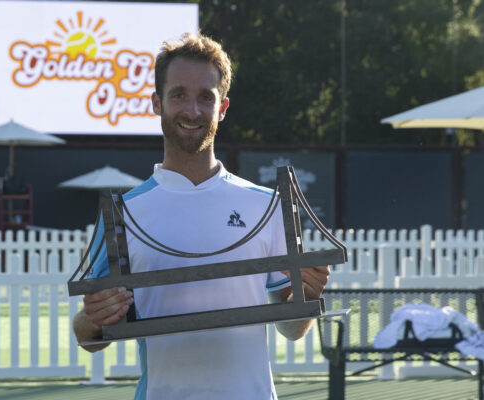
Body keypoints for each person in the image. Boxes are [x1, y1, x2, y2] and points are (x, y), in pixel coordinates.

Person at [71, 32, 330, 400]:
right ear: (156, 103)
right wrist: (93, 318)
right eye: (179, 95)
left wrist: (306, 295)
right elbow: (89, 338)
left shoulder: (266, 206)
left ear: (222, 108)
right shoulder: (122, 213)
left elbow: (291, 327)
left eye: (205, 98)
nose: (192, 111)